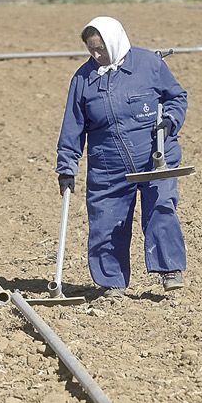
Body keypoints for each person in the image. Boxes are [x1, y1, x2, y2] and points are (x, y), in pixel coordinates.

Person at [56, 16, 189, 296]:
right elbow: (73, 126)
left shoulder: (149, 64)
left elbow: (177, 97)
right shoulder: (83, 79)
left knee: (160, 209)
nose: (96, 55)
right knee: (107, 222)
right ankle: (111, 283)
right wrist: (67, 167)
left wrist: (171, 121)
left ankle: (170, 270)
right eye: (91, 49)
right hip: (109, 164)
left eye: (100, 49)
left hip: (155, 156)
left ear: (114, 42)